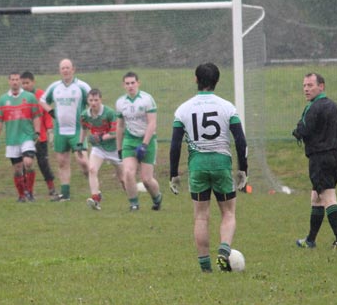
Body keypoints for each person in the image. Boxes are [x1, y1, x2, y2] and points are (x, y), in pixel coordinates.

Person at [169, 63, 248, 273]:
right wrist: (243, 169)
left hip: (198, 166)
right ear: (217, 81)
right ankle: (224, 250)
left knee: (201, 216)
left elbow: (175, 144)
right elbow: (240, 140)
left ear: (196, 80)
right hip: (221, 165)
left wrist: (173, 174)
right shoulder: (227, 107)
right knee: (228, 213)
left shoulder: (183, 109)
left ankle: (205, 267)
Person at [292, 72, 337, 249]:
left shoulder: (314, 107)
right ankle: (310, 240)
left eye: (310, 85)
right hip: (336, 156)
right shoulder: (335, 106)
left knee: (328, 198)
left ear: (321, 86)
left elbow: (304, 129)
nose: (306, 89)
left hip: (320, 159)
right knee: (316, 197)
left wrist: (297, 132)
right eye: (304, 86)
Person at [40, 58, 91, 202]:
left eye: (68, 67)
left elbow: (94, 101)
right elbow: (43, 100)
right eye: (63, 68)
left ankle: (95, 191)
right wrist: (50, 112)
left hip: (77, 131)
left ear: (73, 69)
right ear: (60, 70)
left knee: (83, 162)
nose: (65, 70)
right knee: (62, 162)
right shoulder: (55, 87)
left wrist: (89, 116)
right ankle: (65, 194)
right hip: (60, 131)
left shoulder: (82, 86)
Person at [116, 71, 162, 211]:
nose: (130, 86)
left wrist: (144, 145)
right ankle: (134, 204)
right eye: (127, 83)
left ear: (138, 83)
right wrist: (119, 148)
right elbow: (120, 126)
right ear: (124, 85)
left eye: (132, 83)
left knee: (146, 180)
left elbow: (152, 123)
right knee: (128, 173)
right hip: (129, 140)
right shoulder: (120, 102)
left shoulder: (147, 99)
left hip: (147, 140)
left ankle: (157, 198)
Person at [0, 72, 41, 202]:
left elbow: (36, 116)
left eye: (17, 79)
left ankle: (30, 192)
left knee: (28, 163)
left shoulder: (30, 97)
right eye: (12, 79)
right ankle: (21, 195)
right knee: (18, 169)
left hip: (27, 137)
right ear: (9, 82)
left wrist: (37, 132)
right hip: (12, 139)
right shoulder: (2, 100)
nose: (15, 82)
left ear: (20, 81)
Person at [79, 88, 124, 210]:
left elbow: (116, 133)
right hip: (99, 148)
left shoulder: (109, 113)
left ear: (101, 100)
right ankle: (96, 199)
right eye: (91, 100)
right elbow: (84, 129)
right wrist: (80, 143)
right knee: (92, 170)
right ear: (87, 101)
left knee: (124, 179)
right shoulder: (84, 115)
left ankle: (132, 195)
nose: (93, 103)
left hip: (115, 148)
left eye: (96, 100)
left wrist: (101, 137)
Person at [20, 71, 57, 196]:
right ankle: (27, 189)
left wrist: (50, 130)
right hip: (25, 138)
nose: (25, 85)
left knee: (43, 163)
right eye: (23, 83)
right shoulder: (19, 97)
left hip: (40, 138)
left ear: (33, 82)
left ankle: (51, 187)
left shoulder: (41, 95)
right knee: (25, 164)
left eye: (27, 83)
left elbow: (46, 115)